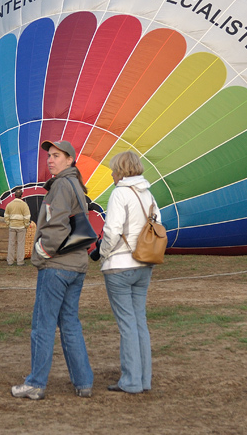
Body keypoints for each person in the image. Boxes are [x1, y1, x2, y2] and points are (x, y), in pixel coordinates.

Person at [11, 140, 93, 400]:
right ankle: (84, 382)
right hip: (76, 266)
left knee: (42, 324)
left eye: (57, 155)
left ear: (70, 160)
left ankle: (36, 383)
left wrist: (40, 255)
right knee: (69, 323)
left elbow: (56, 227)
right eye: (49, 155)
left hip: (57, 267)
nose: (50, 160)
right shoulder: (77, 186)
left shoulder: (60, 185)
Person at [98, 150, 160, 394]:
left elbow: (112, 230)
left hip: (120, 265)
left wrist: (102, 253)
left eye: (114, 169)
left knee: (126, 325)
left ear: (120, 171)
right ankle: (144, 379)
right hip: (144, 264)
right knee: (139, 323)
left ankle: (131, 381)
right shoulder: (149, 195)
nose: (112, 173)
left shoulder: (120, 193)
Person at [5, 186, 31, 266]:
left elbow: (6, 216)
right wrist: (26, 225)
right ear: (21, 195)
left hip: (12, 226)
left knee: (11, 244)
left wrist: (9, 224)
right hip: (21, 227)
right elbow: (27, 217)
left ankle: (10, 261)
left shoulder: (9, 204)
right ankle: (20, 261)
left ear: (14, 195)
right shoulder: (24, 205)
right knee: (21, 244)